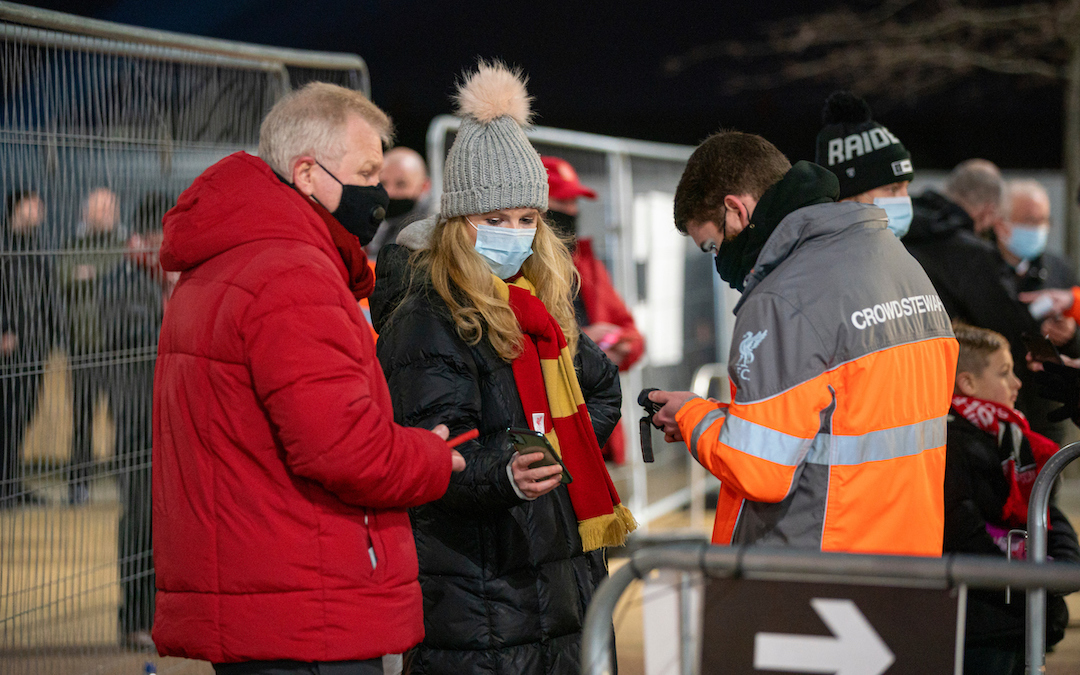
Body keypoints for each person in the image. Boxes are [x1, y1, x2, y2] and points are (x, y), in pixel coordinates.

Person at [151, 82, 464, 673]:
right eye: (366, 171)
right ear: (306, 173)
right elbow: (343, 448)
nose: (377, 192)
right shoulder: (292, 274)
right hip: (306, 604)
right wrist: (430, 457)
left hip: (264, 591)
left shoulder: (228, 259)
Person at [373, 61, 634, 674]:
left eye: (526, 219)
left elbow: (600, 389)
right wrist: (506, 473)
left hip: (559, 572)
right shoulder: (427, 317)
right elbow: (431, 450)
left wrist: (554, 454)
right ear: (458, 226)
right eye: (493, 220)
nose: (513, 235)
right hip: (478, 591)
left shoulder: (541, 306)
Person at [646, 131, 957, 555]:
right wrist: (724, 415)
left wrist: (691, 415)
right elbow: (845, 417)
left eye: (711, 245)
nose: (718, 259)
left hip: (820, 568)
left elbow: (759, 468)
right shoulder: (900, 264)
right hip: (909, 556)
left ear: (736, 210)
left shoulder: (784, 297)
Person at [944, 323, 1080, 675]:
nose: (1017, 384)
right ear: (967, 383)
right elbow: (961, 527)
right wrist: (1027, 582)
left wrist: (1063, 564)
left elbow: (1045, 509)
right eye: (1004, 374)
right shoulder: (949, 443)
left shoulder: (1016, 438)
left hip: (1023, 614)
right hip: (985, 621)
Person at [102, 193, 172, 648]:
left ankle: (160, 616)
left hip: (168, 416)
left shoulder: (168, 280)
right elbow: (131, 340)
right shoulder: (124, 281)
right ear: (147, 238)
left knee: (166, 522)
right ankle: (135, 618)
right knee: (141, 521)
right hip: (135, 417)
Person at [543, 155, 645, 464]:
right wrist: (584, 340)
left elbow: (634, 337)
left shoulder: (587, 263)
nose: (570, 210)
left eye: (574, 202)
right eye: (561, 200)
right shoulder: (519, 269)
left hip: (594, 427)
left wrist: (615, 348)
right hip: (548, 425)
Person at [61, 186, 126, 504]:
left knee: (123, 416)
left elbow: (119, 277)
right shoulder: (73, 246)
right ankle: (79, 484)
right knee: (82, 419)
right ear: (86, 212)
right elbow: (61, 277)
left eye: (111, 207)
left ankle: (127, 481)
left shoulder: (125, 247)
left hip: (118, 350)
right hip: (84, 348)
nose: (107, 213)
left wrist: (92, 273)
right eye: (101, 208)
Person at [1, 190, 58, 507]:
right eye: (33, 204)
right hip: (8, 349)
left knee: (22, 415)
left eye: (41, 205)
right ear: (16, 207)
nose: (40, 210)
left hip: (34, 350)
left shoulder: (36, 248)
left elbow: (47, 297)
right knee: (6, 417)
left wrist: (52, 336)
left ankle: (11, 485)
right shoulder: (4, 245)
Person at [814, 90, 914, 237]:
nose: (905, 200)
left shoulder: (907, 255)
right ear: (845, 199)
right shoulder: (811, 257)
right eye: (892, 189)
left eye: (906, 188)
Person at [366, 146, 432, 259]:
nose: (389, 192)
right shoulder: (376, 222)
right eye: (383, 183)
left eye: (401, 184)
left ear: (424, 187)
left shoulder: (434, 234)